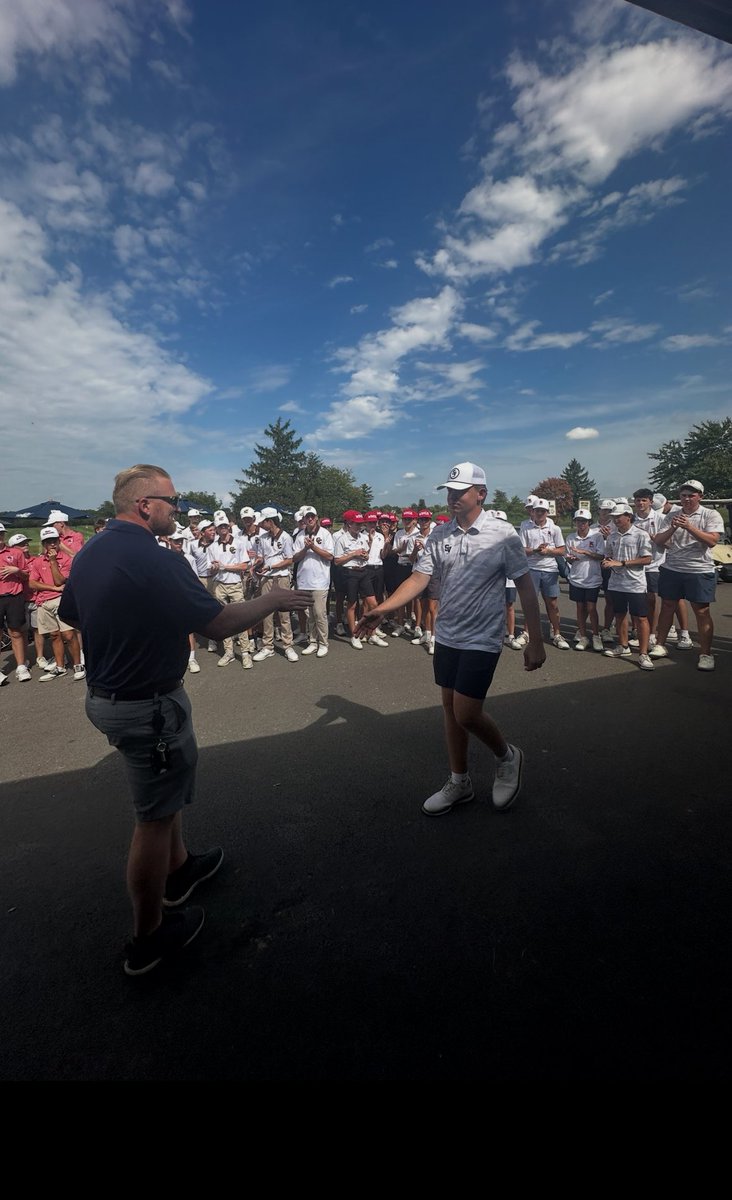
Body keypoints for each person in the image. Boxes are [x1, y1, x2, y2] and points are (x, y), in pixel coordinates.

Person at [58, 464, 310, 976]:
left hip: (112, 697)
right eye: (174, 502)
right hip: (147, 705)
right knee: (151, 819)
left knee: (166, 796)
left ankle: (180, 870)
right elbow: (218, 624)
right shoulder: (158, 558)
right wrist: (273, 599)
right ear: (145, 505)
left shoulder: (90, 552)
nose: (181, 510)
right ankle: (147, 940)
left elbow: (73, 614)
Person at [356, 461, 545, 816]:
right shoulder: (440, 535)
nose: (453, 498)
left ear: (481, 494)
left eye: (461, 492)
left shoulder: (503, 534)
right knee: (449, 709)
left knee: (467, 712)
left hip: (482, 636)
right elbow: (418, 579)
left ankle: (507, 756)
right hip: (447, 634)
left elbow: (526, 588)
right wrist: (382, 608)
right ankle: (460, 781)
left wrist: (535, 640)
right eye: (450, 492)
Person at [649, 479, 723, 672]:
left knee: (701, 611)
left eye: (692, 495)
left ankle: (706, 654)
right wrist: (673, 527)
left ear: (700, 496)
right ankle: (660, 644)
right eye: (684, 495)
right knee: (667, 605)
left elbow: (712, 541)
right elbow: (658, 540)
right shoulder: (672, 514)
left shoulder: (710, 514)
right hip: (672, 568)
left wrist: (689, 527)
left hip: (699, 569)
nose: (687, 499)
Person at [28, 525, 85, 681]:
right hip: (44, 601)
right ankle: (60, 667)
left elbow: (60, 580)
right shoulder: (38, 561)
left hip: (62, 600)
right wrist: (53, 587)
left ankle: (77, 664)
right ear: (43, 544)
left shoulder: (66, 559)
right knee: (54, 635)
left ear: (59, 541)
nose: (51, 544)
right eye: (48, 542)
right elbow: (32, 583)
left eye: (54, 541)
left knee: (68, 634)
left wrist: (53, 561)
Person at [521, 499, 569, 649]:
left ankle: (557, 634)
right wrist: (536, 550)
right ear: (532, 512)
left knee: (552, 603)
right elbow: (521, 549)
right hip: (532, 569)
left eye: (543, 511)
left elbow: (562, 550)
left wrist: (548, 551)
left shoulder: (554, 528)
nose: (540, 513)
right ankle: (526, 633)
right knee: (530, 603)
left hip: (550, 569)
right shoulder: (525, 526)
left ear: (547, 512)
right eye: (537, 510)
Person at [292, 506, 334, 657]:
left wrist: (313, 547)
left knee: (319, 613)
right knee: (309, 614)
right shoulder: (299, 536)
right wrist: (305, 548)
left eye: (312, 516)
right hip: (304, 580)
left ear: (316, 518)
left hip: (320, 581)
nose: (309, 519)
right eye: (307, 517)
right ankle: (312, 641)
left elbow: (329, 556)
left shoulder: (325, 534)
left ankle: (323, 643)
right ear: (303, 519)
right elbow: (295, 558)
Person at [564, 509, 605, 652]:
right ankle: (583, 636)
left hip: (592, 577)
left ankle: (596, 636)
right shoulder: (570, 537)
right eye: (578, 521)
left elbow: (601, 556)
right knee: (580, 608)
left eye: (584, 521)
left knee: (591, 608)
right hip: (576, 577)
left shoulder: (597, 536)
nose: (581, 524)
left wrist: (585, 552)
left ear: (589, 523)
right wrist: (570, 558)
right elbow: (567, 556)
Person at [0, 521, 31, 684]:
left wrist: (16, 570)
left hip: (14, 596)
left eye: (0, 535)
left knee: (16, 632)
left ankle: (21, 666)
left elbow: (27, 576)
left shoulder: (15, 553)